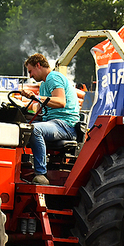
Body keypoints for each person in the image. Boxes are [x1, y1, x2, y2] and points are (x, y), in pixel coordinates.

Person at [20, 53, 79, 185]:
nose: (30, 76)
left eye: (30, 71)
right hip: (51, 122)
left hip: (65, 125)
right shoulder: (43, 85)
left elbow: (60, 101)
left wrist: (36, 98)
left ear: (38, 65)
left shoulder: (53, 77)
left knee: (34, 130)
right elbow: (42, 111)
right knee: (21, 127)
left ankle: (41, 174)